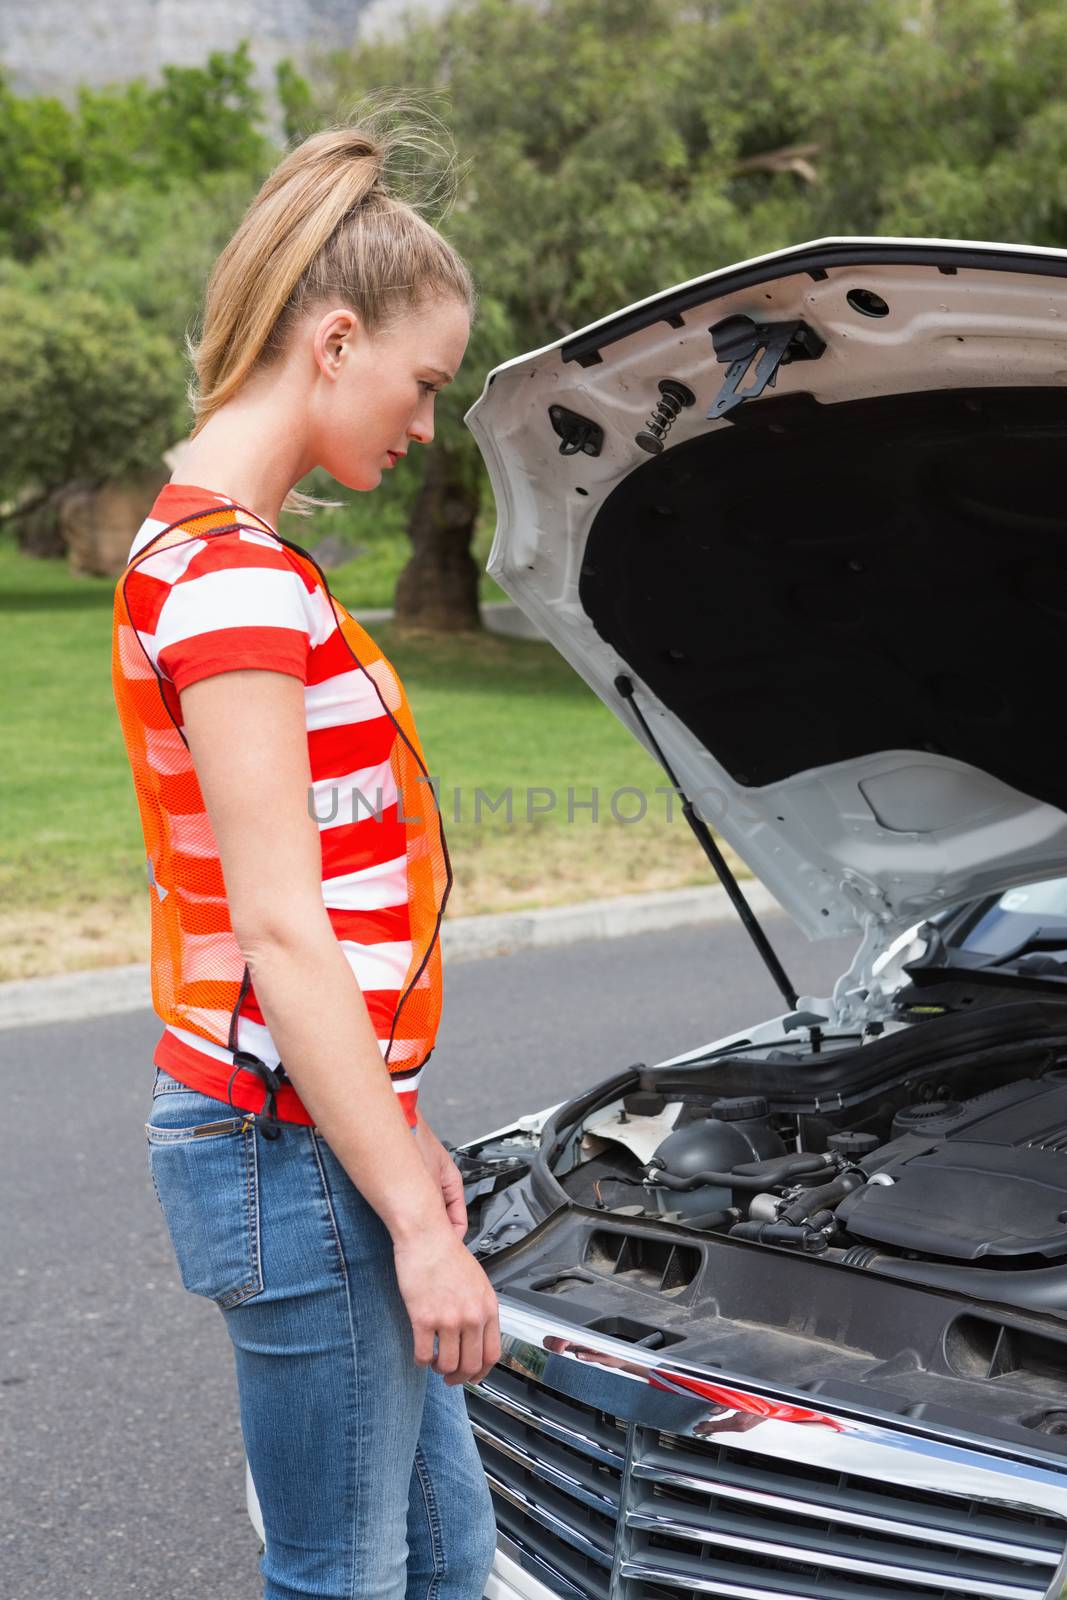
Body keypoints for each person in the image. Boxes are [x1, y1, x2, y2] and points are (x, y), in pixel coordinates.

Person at [111, 112, 500, 1600]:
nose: (420, 427)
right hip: (279, 1147)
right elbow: (282, 929)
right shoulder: (226, 582)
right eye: (422, 384)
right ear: (334, 341)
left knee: (450, 1560)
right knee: (346, 1574)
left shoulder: (223, 553)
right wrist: (411, 1218)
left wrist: (398, 1137)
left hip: (310, 1134)